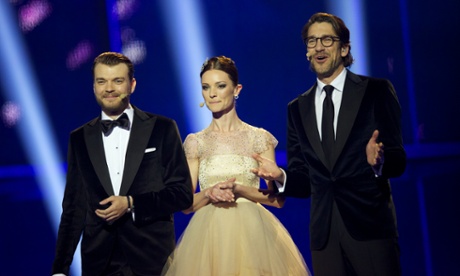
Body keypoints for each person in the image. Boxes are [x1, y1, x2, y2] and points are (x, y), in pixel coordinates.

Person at [252, 12, 407, 276]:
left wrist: (379, 162)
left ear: (344, 48)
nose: (319, 47)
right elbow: (303, 181)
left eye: (327, 39)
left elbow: (399, 159)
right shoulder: (297, 109)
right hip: (325, 237)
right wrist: (281, 176)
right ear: (306, 52)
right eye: (312, 42)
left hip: (369, 227)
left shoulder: (376, 91)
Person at [161, 56, 310, 276]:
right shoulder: (195, 142)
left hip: (253, 237)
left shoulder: (259, 138)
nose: (212, 93)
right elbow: (185, 204)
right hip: (209, 237)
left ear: (236, 89)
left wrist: (240, 190)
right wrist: (210, 193)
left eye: (220, 86)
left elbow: (277, 200)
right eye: (206, 87)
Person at [51, 52, 193, 276]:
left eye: (117, 81)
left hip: (151, 259)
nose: (109, 88)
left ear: (132, 84)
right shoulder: (79, 138)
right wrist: (60, 269)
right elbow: (73, 208)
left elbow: (182, 194)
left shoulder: (162, 128)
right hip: (99, 262)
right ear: (93, 86)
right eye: (101, 81)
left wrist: (131, 203)